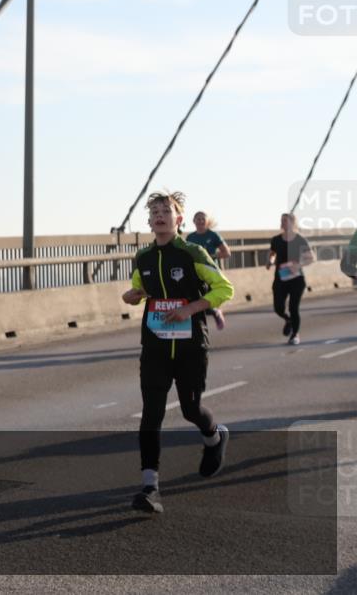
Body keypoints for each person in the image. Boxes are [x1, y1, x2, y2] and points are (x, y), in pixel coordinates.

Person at [122, 192, 234, 514]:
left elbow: (224, 289)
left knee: (190, 408)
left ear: (178, 220)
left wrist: (190, 309)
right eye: (154, 211)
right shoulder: (142, 258)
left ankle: (214, 437)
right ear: (149, 221)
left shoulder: (192, 252)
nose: (160, 215)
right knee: (151, 414)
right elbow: (140, 289)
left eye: (166, 211)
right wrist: (133, 295)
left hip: (190, 345)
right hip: (155, 345)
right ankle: (150, 487)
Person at [266, 213, 314, 346]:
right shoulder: (275, 239)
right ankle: (288, 320)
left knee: (293, 307)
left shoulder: (300, 240)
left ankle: (295, 334)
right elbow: (272, 254)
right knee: (278, 308)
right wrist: (270, 262)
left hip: (296, 279)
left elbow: (311, 257)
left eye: (285, 220)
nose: (282, 222)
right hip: (280, 278)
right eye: (281, 220)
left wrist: (298, 265)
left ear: (293, 223)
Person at [186, 211, 232, 330]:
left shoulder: (213, 235)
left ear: (206, 221)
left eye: (203, 219)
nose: (200, 221)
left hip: (211, 272)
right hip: (195, 273)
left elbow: (227, 253)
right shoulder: (190, 237)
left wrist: (213, 256)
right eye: (198, 219)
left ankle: (215, 312)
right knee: (197, 300)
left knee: (206, 300)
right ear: (194, 221)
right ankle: (211, 315)